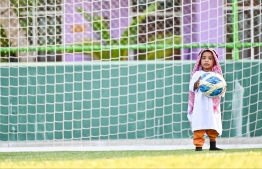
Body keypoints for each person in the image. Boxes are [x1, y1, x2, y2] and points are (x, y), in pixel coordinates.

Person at [187, 48, 225, 151]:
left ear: (214, 61)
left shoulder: (217, 76)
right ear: (200, 60)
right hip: (199, 106)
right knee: (199, 127)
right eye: (203, 58)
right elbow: (191, 87)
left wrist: (221, 88)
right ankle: (198, 146)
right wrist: (196, 84)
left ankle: (213, 145)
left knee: (212, 126)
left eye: (209, 58)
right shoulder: (197, 74)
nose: (206, 60)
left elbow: (222, 90)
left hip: (212, 107)